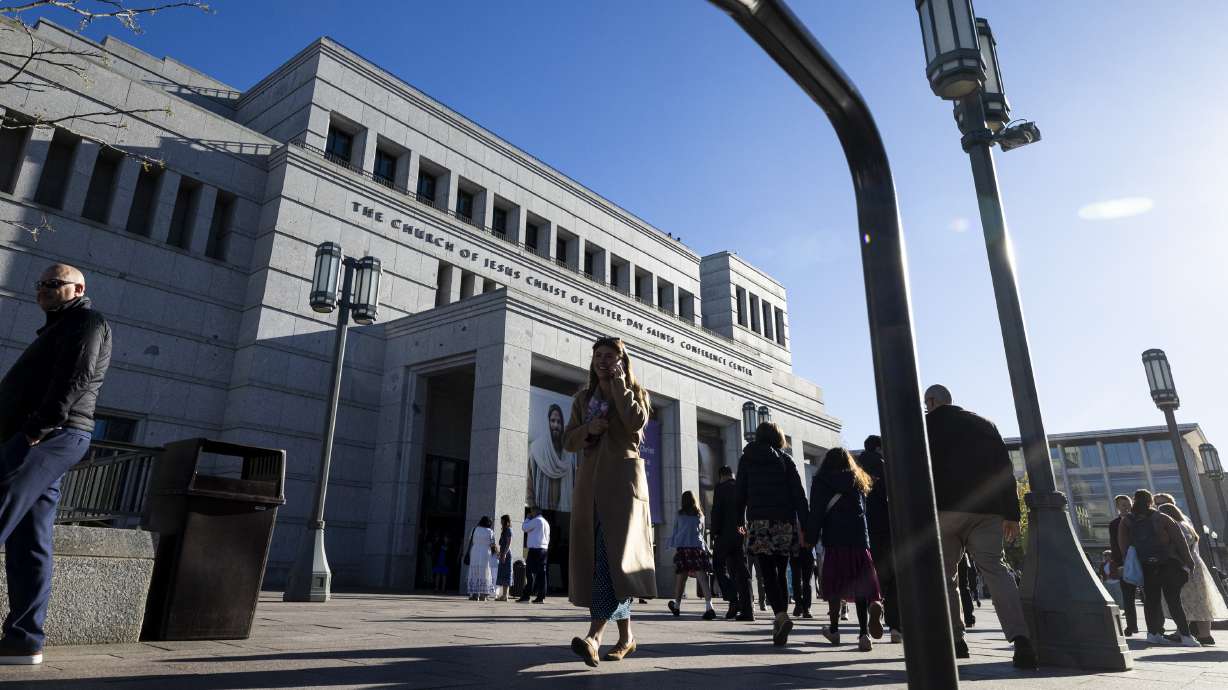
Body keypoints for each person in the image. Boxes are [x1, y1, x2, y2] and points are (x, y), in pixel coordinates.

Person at [0, 264, 112, 666]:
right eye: (41, 284)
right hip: (44, 437)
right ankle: (23, 640)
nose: (44, 289)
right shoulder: (56, 328)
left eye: (54, 284)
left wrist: (36, 429)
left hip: (51, 436)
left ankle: (25, 636)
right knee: (30, 541)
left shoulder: (86, 321)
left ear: (78, 288)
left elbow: (76, 377)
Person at [924, 384, 1037, 668]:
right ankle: (1021, 639)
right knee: (995, 570)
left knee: (945, 576)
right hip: (987, 512)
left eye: (927, 403)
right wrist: (1011, 513)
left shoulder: (924, 426)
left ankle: (956, 640)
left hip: (943, 509)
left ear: (933, 401)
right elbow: (1004, 470)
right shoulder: (985, 424)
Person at [562, 336, 656, 667]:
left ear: (622, 361)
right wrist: (590, 427)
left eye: (610, 356)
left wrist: (619, 384)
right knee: (609, 562)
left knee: (611, 558)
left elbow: (636, 422)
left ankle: (594, 637)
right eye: (598, 356)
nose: (603, 361)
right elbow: (569, 440)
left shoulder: (635, 394)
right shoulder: (583, 398)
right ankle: (627, 637)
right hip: (590, 489)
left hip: (623, 489)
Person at [735, 421, 809, 646]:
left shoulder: (747, 458)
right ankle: (781, 616)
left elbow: (741, 491)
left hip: (759, 522)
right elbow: (798, 494)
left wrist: (740, 519)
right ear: (778, 437)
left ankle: (780, 616)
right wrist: (805, 524)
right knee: (781, 571)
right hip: (784, 523)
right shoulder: (786, 461)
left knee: (766, 572)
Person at [805, 448, 884, 652]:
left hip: (834, 539)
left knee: (834, 586)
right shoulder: (858, 479)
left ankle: (833, 630)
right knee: (861, 586)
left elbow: (816, 512)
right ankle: (864, 633)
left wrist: (810, 538)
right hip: (859, 538)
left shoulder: (821, 480)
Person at [1118, 489, 1199, 646]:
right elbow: (1179, 540)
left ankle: (1152, 634)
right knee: (1173, 600)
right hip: (1168, 562)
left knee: (1151, 600)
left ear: (1134, 501)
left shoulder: (1126, 521)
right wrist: (1189, 561)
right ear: (1150, 502)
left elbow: (1124, 547)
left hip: (1146, 565)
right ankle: (1186, 636)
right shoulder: (1162, 518)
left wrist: (1130, 564)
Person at [1157, 503, 1228, 645]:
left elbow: (1177, 547)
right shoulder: (1186, 525)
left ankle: (1182, 631)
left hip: (1183, 565)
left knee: (1183, 599)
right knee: (1201, 600)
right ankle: (1205, 634)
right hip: (1197, 566)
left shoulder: (1175, 526)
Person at [857, 435, 900, 642]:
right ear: (879, 448)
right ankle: (895, 627)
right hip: (885, 528)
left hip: (862, 531)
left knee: (866, 575)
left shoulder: (854, 467)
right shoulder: (885, 467)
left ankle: (866, 625)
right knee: (891, 578)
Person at [710, 466, 753, 620]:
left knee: (718, 566)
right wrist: (744, 533)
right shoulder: (740, 487)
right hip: (740, 532)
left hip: (724, 534)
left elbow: (716, 511)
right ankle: (748, 610)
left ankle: (733, 597)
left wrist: (714, 532)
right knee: (741, 570)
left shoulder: (720, 488)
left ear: (721, 476)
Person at [666, 490, 716, 619]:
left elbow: (675, 532)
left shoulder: (679, 515)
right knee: (703, 579)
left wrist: (671, 545)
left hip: (683, 550)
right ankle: (709, 607)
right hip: (697, 549)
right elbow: (702, 534)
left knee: (681, 580)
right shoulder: (700, 516)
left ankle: (676, 606)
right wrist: (706, 549)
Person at [528, 403, 574, 512]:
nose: (556, 425)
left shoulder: (569, 453)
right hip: (539, 508)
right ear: (547, 422)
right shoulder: (537, 448)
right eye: (552, 421)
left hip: (563, 510)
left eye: (559, 422)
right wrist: (532, 505)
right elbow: (530, 479)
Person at [1108, 494, 1140, 636]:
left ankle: (1157, 626)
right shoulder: (1114, 524)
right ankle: (1132, 626)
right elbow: (1114, 545)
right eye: (1122, 505)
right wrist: (1119, 563)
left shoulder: (1139, 520)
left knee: (1150, 596)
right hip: (1125, 563)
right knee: (1128, 596)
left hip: (1143, 561)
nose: (1126, 507)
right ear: (1117, 507)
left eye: (1128, 504)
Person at [519, 506, 550, 603]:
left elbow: (524, 527)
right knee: (542, 574)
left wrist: (527, 518)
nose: (530, 513)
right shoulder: (546, 522)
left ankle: (526, 596)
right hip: (544, 549)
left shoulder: (536, 520)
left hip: (535, 550)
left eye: (531, 512)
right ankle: (541, 597)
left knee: (529, 572)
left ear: (534, 512)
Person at [466, 517, 497, 601]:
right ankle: (483, 595)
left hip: (475, 552)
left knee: (475, 572)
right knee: (485, 572)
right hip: (485, 553)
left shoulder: (474, 529)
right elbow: (492, 544)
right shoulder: (490, 531)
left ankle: (475, 595)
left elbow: (470, 541)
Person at [790, 542, 814, 619]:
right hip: (795, 552)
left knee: (807, 582)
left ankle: (806, 607)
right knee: (796, 580)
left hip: (807, 550)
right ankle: (798, 605)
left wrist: (812, 543)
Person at [494, 515, 514, 601]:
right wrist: (500, 553)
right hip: (503, 553)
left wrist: (504, 553)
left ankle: (505, 595)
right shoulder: (504, 530)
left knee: (506, 573)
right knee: (503, 573)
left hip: (506, 554)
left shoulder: (509, 530)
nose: (500, 522)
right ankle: (504, 595)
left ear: (506, 521)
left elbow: (509, 543)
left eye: (502, 520)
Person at [958, 553, 977, 628]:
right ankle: (969, 619)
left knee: (956, 587)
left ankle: (967, 618)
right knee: (964, 588)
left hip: (953, 557)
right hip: (963, 557)